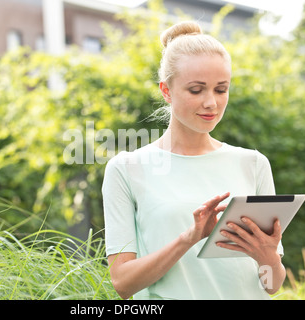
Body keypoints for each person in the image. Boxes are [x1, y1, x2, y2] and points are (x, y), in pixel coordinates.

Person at [102, 21, 286, 300]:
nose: (211, 103)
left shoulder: (254, 164)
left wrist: (267, 257)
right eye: (196, 90)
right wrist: (190, 237)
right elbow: (123, 283)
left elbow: (272, 284)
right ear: (166, 90)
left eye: (221, 89)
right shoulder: (126, 169)